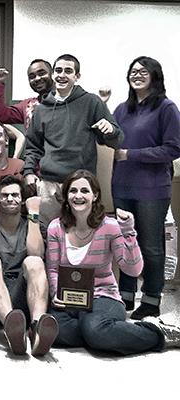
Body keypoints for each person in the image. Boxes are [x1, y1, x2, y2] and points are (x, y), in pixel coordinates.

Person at [47, 170, 180, 355]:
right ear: (66, 196)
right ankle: (101, 333)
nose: (78, 196)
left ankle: (158, 334)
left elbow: (134, 270)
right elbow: (53, 270)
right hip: (69, 300)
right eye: (73, 191)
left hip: (104, 296)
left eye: (84, 191)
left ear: (95, 196)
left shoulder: (109, 226)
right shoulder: (56, 227)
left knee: (95, 330)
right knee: (56, 332)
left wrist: (128, 232)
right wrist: (55, 293)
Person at [111, 56, 180, 319]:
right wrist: (102, 106)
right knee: (124, 243)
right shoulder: (122, 109)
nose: (137, 74)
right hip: (121, 187)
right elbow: (108, 136)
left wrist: (132, 155)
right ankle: (125, 297)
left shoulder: (166, 108)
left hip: (153, 190)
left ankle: (151, 299)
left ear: (155, 76)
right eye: (133, 71)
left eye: (143, 71)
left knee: (150, 246)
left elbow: (174, 148)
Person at [23, 54, 123, 225]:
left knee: (80, 234)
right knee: (47, 234)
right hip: (49, 185)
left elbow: (116, 140)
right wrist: (29, 172)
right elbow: (33, 146)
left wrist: (110, 130)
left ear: (77, 76)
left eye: (68, 71)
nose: (62, 75)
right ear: (53, 75)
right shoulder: (41, 109)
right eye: (58, 70)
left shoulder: (91, 102)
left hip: (80, 185)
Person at [0, 175, 57, 356]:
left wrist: (34, 214)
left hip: (25, 302)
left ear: (22, 200)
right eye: (4, 195)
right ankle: (11, 327)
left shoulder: (33, 223)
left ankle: (36, 328)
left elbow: (37, 254)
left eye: (15, 195)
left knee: (34, 261)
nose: (10, 199)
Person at [0, 59, 54, 130]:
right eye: (32, 77)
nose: (37, 78)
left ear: (53, 74)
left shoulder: (65, 102)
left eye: (41, 74)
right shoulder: (28, 106)